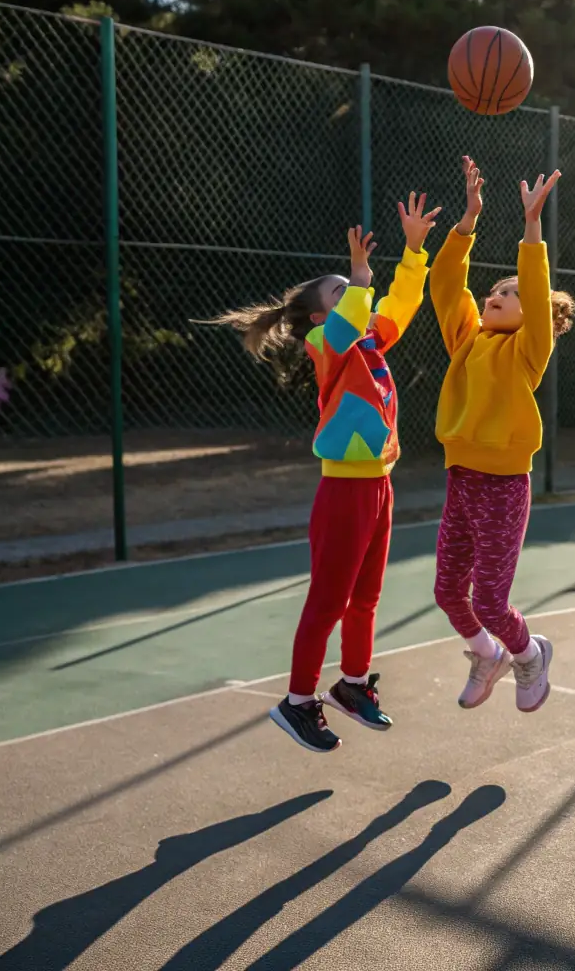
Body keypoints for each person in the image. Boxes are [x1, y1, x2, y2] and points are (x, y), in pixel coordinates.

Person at [204, 194, 440, 752]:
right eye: (340, 292)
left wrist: (413, 252)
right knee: (328, 602)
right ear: (320, 315)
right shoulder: (327, 343)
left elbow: (399, 306)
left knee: (366, 598)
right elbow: (349, 320)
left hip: (379, 485)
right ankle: (298, 702)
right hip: (343, 491)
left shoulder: (369, 339)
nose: (356, 293)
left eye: (354, 288)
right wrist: (359, 275)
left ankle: (353, 685)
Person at [428, 157, 575, 713]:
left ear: (529, 313)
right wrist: (467, 220)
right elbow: (447, 286)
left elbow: (536, 295)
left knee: (490, 600)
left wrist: (531, 227)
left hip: (503, 486)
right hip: (462, 478)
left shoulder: (526, 352)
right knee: (447, 594)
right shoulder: (467, 339)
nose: (496, 293)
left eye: (508, 293)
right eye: (494, 289)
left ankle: (528, 652)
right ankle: (487, 655)